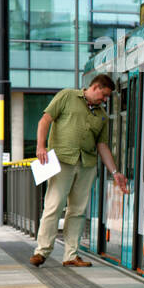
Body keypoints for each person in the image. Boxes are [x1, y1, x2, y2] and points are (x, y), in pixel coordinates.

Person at [30, 74, 128, 267]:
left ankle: (71, 255)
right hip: (62, 160)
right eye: (104, 95)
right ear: (96, 87)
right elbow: (45, 121)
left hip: (87, 165)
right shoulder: (67, 96)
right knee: (54, 206)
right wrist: (40, 147)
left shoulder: (101, 115)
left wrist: (115, 172)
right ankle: (41, 251)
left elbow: (102, 145)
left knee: (78, 210)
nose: (105, 100)